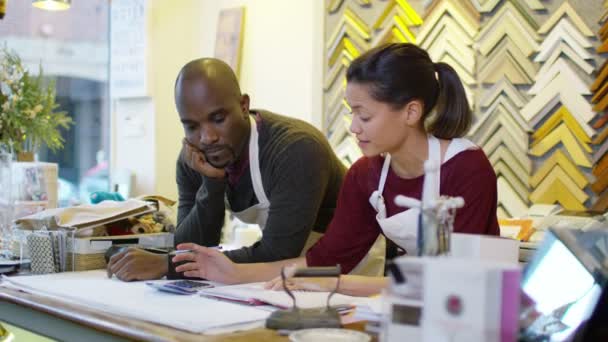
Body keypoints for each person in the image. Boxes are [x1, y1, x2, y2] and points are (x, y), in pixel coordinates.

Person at [169, 43, 501, 295]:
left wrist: (332, 283)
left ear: (411, 112)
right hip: (421, 301)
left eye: (365, 116)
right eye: (351, 113)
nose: (354, 127)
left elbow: (451, 282)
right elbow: (322, 260)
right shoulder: (365, 175)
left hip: (475, 304)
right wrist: (231, 273)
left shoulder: (468, 168)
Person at [107, 58, 347, 281]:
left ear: (244, 105)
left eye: (218, 119)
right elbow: (191, 246)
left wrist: (167, 265)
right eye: (191, 126)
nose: (207, 137)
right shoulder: (194, 158)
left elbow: (278, 252)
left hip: (348, 267)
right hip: (287, 275)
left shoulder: (295, 149)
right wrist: (211, 183)